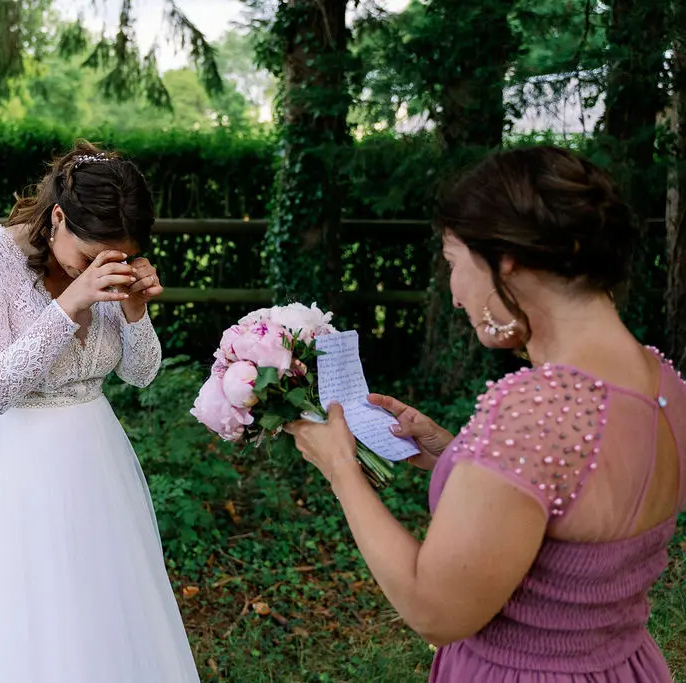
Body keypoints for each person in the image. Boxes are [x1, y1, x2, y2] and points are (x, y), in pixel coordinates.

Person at [286, 145, 685, 682]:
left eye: (454, 263)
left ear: (506, 259)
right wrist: (454, 455)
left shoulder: (536, 411)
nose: (455, 297)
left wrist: (340, 469)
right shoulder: (663, 379)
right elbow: (578, 500)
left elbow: (434, 611)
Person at [0, 141, 200, 682]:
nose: (102, 267)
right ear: (58, 216)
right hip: (14, 468)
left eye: (121, 257)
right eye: (89, 256)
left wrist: (135, 309)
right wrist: (71, 302)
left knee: (101, 612)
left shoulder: (108, 264)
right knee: (22, 616)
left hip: (97, 462)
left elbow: (140, 373)